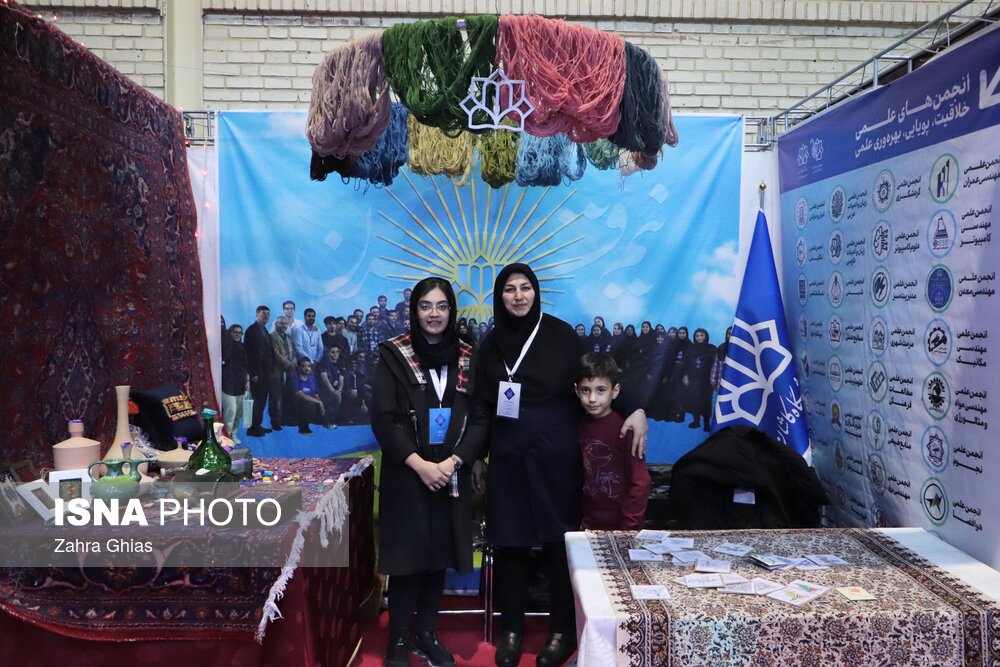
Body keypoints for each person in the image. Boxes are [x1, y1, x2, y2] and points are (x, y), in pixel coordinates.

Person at [476, 264, 648, 667]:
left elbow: (596, 375)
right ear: (500, 296)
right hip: (508, 456)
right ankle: (512, 631)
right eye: (510, 290)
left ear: (536, 293)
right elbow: (482, 404)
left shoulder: (561, 335)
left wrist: (636, 408)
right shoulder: (491, 343)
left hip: (555, 456)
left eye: (526, 288)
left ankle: (562, 631)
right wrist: (480, 456)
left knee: (560, 542)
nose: (518, 296)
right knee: (510, 543)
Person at [372, 277, 488, 667]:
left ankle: (425, 635)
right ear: (414, 311)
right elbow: (385, 419)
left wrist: (454, 462)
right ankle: (397, 641)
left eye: (441, 306)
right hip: (409, 472)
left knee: (438, 557)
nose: (434, 314)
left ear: (451, 311)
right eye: (426, 306)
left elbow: (481, 419)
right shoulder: (394, 354)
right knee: (407, 561)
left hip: (450, 471)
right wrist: (420, 465)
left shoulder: (469, 356)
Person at [575, 353, 650, 530]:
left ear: (615, 391)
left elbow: (641, 481)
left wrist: (630, 527)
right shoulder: (580, 425)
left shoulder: (626, 429)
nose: (592, 398)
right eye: (586, 390)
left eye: (600, 390)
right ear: (576, 390)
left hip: (622, 524)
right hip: (589, 523)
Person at [243, 305, 274, 437]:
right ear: (257, 314)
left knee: (261, 401)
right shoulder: (252, 330)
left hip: (265, 372)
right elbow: (249, 354)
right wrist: (253, 373)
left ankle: (257, 425)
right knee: (256, 401)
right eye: (263, 313)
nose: (266, 315)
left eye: (268, 313)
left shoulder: (264, 330)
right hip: (257, 373)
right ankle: (253, 428)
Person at [680, 328, 718, 431]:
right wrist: (685, 376)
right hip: (693, 379)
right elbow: (684, 364)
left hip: (707, 380)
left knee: (706, 401)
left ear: (706, 336)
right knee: (694, 400)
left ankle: (706, 423)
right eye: (697, 336)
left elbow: (717, 364)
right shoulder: (690, 349)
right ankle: (696, 421)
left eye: (701, 335)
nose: (699, 338)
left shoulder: (712, 348)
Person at [221, 324, 248, 443]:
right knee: (230, 412)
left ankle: (233, 434)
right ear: (230, 333)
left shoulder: (243, 347)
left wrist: (248, 380)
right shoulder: (225, 346)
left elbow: (247, 366)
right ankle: (225, 437)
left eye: (240, 332)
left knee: (238, 413)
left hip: (241, 383)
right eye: (235, 332)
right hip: (228, 384)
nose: (237, 335)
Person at [290, 356, 328, 434]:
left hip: (312, 402)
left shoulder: (312, 378)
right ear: (299, 367)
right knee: (308, 403)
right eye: (303, 366)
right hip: (299, 403)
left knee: (326, 400)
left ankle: (325, 422)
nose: (307, 368)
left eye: (308, 366)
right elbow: (302, 395)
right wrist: (319, 402)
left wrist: (320, 403)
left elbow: (316, 394)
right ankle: (303, 429)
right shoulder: (295, 379)